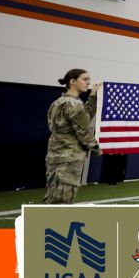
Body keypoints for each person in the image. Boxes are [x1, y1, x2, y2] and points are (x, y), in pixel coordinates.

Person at [44, 68, 101, 204]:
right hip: (68, 159)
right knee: (62, 200)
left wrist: (92, 96)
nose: (88, 82)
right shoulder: (74, 104)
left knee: (54, 196)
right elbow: (83, 130)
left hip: (56, 155)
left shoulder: (58, 102)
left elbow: (84, 119)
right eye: (85, 79)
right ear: (72, 82)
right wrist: (96, 148)